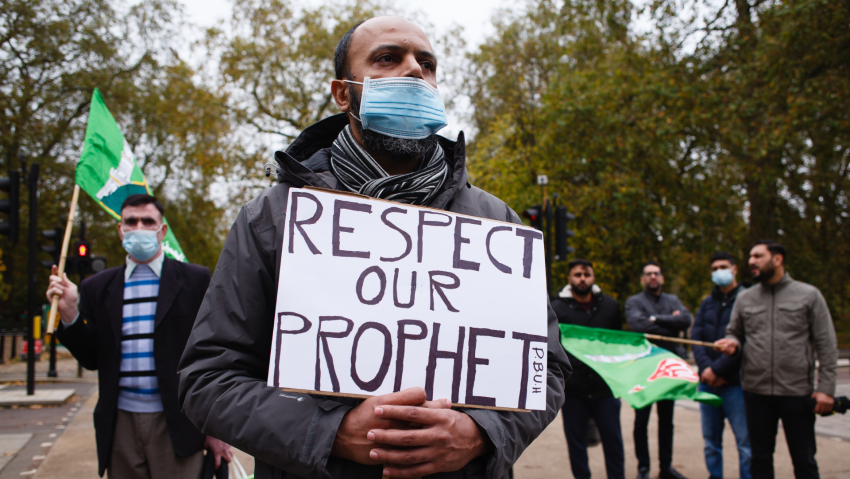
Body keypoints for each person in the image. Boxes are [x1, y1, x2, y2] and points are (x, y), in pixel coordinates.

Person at [176, 16, 572, 479]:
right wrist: (331, 433)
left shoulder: (495, 221)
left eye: (427, 64)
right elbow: (208, 380)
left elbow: (546, 370)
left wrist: (481, 434)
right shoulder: (272, 218)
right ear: (343, 93)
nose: (414, 70)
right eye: (388, 58)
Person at [45, 194, 232, 478]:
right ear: (120, 230)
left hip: (179, 422)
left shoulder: (195, 280)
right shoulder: (97, 287)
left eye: (148, 221)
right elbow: (92, 358)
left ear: (162, 230)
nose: (139, 228)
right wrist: (69, 312)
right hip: (120, 425)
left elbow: (214, 355)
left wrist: (215, 428)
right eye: (131, 222)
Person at [716, 240, 838, 478]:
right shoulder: (745, 298)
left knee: (804, 461)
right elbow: (734, 333)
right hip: (756, 393)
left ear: (778, 259)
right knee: (759, 461)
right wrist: (732, 343)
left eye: (758, 256)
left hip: (796, 392)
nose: (751, 261)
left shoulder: (809, 295)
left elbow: (826, 344)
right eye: (750, 257)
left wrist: (826, 390)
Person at [552, 259, 625, 479]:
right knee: (577, 447)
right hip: (573, 390)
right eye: (577, 275)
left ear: (593, 278)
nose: (582, 279)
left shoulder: (610, 306)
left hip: (605, 388)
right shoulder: (556, 309)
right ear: (569, 279)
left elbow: (618, 341)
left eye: (586, 274)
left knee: (613, 443)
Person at [625, 261, 691, 479]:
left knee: (666, 421)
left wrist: (655, 319)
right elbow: (638, 325)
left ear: (662, 277)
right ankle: (643, 467)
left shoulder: (673, 299)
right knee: (641, 421)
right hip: (644, 368)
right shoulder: (634, 302)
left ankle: (666, 467)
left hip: (668, 368)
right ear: (642, 279)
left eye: (656, 273)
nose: (653, 276)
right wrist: (671, 322)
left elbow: (685, 320)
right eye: (648, 274)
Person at [691, 252, 751, 479]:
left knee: (745, 444)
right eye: (714, 268)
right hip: (707, 384)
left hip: (736, 384)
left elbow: (745, 341)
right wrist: (707, 369)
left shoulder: (747, 299)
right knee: (711, 443)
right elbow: (696, 337)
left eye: (723, 267)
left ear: (734, 269)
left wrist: (717, 370)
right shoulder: (707, 302)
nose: (719, 272)